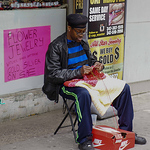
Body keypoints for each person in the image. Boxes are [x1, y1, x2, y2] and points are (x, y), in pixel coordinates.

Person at [42, 14, 146, 150]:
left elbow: (91, 61)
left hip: (86, 80)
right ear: (69, 28)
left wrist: (98, 65)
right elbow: (53, 74)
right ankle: (84, 139)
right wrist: (78, 72)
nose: (81, 35)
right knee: (83, 94)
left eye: (83, 32)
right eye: (78, 32)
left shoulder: (83, 44)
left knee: (123, 87)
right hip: (65, 84)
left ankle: (126, 132)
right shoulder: (56, 46)